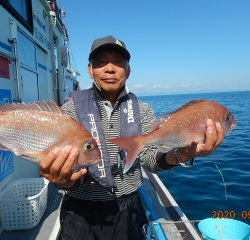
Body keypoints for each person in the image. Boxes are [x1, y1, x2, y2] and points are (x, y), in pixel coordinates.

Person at [39, 35, 224, 240]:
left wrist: (182, 153)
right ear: (90, 70)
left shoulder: (142, 111)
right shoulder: (70, 111)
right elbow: (70, 170)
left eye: (118, 62)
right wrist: (63, 181)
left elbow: (150, 161)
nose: (110, 68)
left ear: (128, 70)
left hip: (127, 209)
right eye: (101, 62)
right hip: (80, 211)